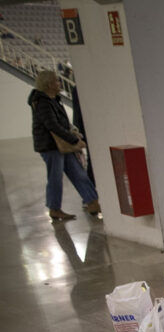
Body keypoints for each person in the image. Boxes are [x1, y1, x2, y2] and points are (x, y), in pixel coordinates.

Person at [28, 70, 101, 221]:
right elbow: (52, 125)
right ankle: (54, 209)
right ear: (49, 84)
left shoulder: (53, 99)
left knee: (78, 173)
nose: (59, 83)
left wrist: (72, 132)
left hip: (62, 145)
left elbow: (61, 122)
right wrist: (74, 140)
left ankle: (93, 202)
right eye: (56, 81)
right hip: (50, 147)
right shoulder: (42, 102)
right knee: (55, 178)